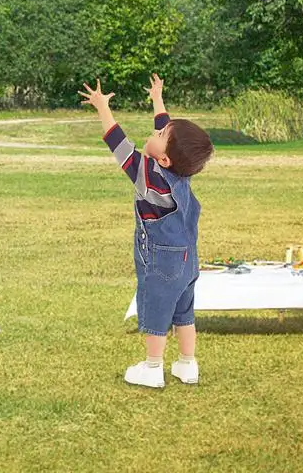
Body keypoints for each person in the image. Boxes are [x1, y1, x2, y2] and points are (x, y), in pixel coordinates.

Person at [80, 74, 213, 388]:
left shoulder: (148, 176)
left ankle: (152, 368)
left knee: (156, 308)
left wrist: (102, 107)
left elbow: (120, 146)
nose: (154, 132)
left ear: (164, 157)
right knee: (184, 312)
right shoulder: (179, 173)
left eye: (161, 133)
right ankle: (187, 364)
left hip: (162, 262)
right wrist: (157, 98)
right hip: (187, 259)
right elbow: (166, 128)